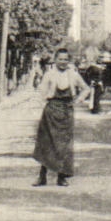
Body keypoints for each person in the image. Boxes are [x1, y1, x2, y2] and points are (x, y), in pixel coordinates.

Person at [33, 46, 88, 186]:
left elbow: (86, 89)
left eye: (65, 59)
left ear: (68, 60)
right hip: (51, 111)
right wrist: (45, 105)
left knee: (64, 145)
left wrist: (78, 100)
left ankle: (61, 177)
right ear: (55, 59)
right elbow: (41, 92)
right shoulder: (49, 74)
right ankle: (42, 176)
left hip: (67, 111)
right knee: (47, 142)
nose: (63, 62)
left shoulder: (73, 74)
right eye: (60, 59)